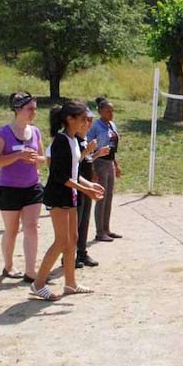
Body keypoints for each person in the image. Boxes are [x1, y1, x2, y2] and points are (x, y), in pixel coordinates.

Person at [30, 101, 104, 301]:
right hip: (58, 195)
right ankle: (38, 283)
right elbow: (60, 176)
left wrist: (89, 186)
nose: (85, 123)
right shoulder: (61, 141)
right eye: (82, 119)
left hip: (69, 194)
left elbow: (74, 172)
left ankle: (70, 284)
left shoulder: (73, 140)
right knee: (61, 240)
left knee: (73, 238)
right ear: (69, 119)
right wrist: (86, 191)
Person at [0, 92, 46, 283]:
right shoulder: (3, 133)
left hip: (32, 187)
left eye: (35, 108)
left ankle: (31, 272)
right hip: (8, 189)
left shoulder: (36, 131)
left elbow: (42, 159)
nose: (33, 112)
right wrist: (17, 156)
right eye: (30, 108)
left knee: (31, 227)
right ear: (17, 110)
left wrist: (35, 159)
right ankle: (8, 266)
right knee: (11, 230)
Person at [75, 108, 110, 268]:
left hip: (87, 186)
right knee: (75, 223)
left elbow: (86, 160)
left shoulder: (83, 140)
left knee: (84, 221)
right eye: (85, 120)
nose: (88, 123)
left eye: (90, 120)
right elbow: (73, 164)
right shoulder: (72, 139)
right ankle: (70, 255)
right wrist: (89, 151)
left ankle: (82, 253)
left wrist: (96, 154)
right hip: (76, 186)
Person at [88, 97, 122, 242]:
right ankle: (99, 231)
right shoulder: (95, 127)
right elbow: (89, 147)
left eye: (112, 110)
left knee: (109, 197)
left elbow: (112, 146)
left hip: (109, 163)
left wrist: (115, 163)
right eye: (108, 111)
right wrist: (93, 169)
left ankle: (106, 229)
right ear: (100, 111)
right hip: (99, 162)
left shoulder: (112, 125)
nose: (111, 113)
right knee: (101, 198)